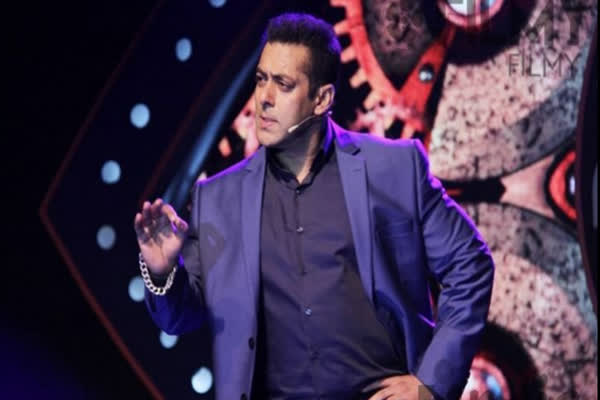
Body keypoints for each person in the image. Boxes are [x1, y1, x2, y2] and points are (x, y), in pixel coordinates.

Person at [134, 12, 494, 400]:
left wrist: (429, 385)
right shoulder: (218, 199)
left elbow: (469, 264)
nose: (264, 98)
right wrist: (163, 272)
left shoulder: (393, 169)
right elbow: (180, 316)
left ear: (321, 99)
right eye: (261, 79)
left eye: (283, 84)